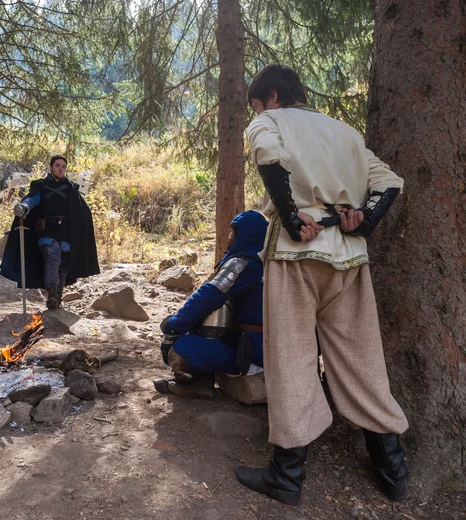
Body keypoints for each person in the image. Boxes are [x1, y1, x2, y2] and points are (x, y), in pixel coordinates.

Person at [235, 64, 409, 506]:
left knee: (291, 358)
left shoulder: (268, 122)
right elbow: (389, 181)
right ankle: (394, 474)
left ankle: (286, 477)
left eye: (257, 104)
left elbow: (269, 158)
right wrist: (364, 220)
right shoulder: (344, 132)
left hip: (296, 255)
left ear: (272, 97)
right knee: (362, 358)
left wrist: (292, 219)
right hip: (348, 256)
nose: (257, 112)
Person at [156, 210, 268, 399]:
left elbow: (208, 296)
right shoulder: (260, 263)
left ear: (245, 234)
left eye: (233, 232)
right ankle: (197, 381)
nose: (229, 237)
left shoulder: (245, 263)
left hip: (253, 352)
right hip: (248, 342)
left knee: (181, 345)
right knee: (201, 329)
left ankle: (198, 382)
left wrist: (174, 326)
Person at [0, 155, 100, 308]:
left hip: (66, 232)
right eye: (58, 165)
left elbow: (82, 210)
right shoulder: (42, 185)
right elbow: (32, 200)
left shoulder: (71, 189)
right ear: (51, 167)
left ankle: (56, 299)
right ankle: (52, 293)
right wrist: (24, 207)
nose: (61, 169)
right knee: (52, 257)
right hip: (47, 231)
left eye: (63, 166)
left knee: (64, 265)